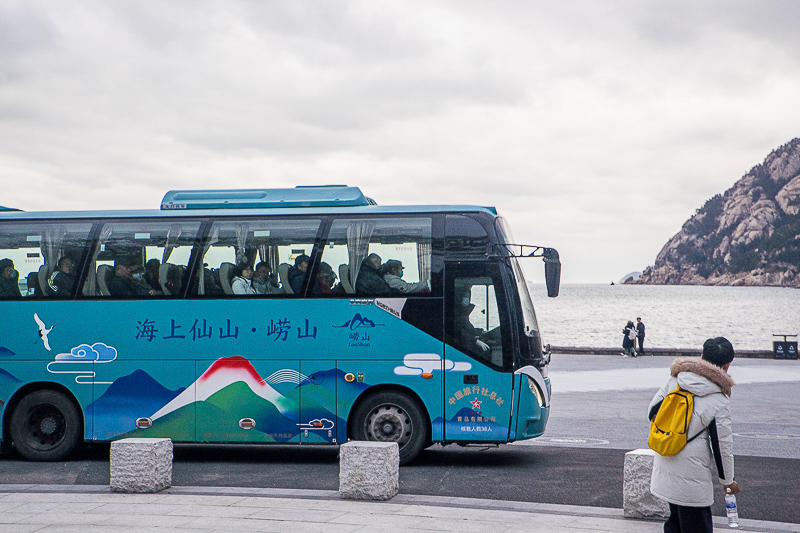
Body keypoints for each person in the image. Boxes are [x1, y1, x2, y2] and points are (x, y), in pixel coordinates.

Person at [649, 337, 740, 533]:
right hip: (693, 472)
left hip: (666, 457)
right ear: (727, 365)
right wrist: (728, 481)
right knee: (697, 526)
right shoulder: (719, 399)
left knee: (675, 522)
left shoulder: (676, 379)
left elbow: (652, 412)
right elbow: (721, 445)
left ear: (701, 357)